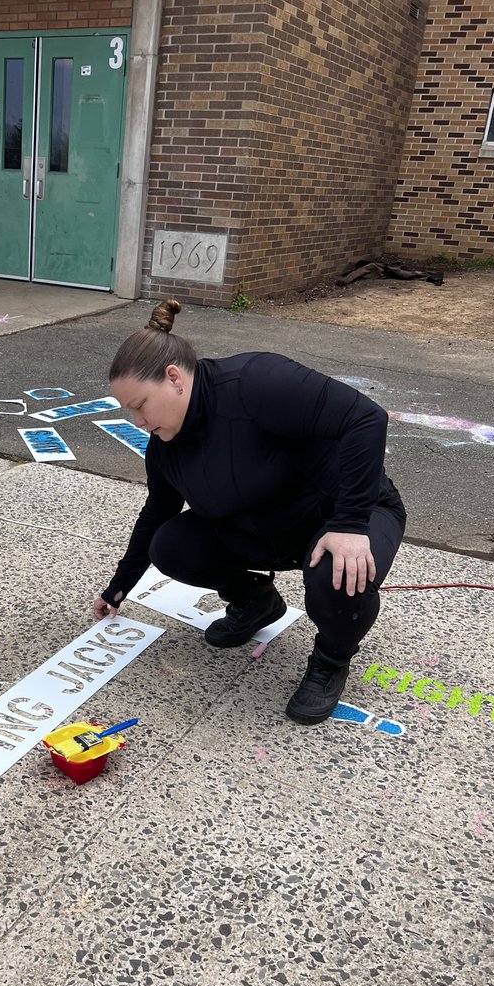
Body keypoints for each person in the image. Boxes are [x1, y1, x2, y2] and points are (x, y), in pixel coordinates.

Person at [92, 299, 406, 724]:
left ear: (173, 378)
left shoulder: (254, 381)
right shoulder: (165, 449)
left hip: (345, 516)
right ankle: (255, 601)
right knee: (170, 544)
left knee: (337, 576)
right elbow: (155, 516)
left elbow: (365, 419)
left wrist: (350, 523)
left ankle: (332, 659)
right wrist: (118, 588)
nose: (137, 421)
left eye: (140, 404)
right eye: (127, 410)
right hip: (266, 531)